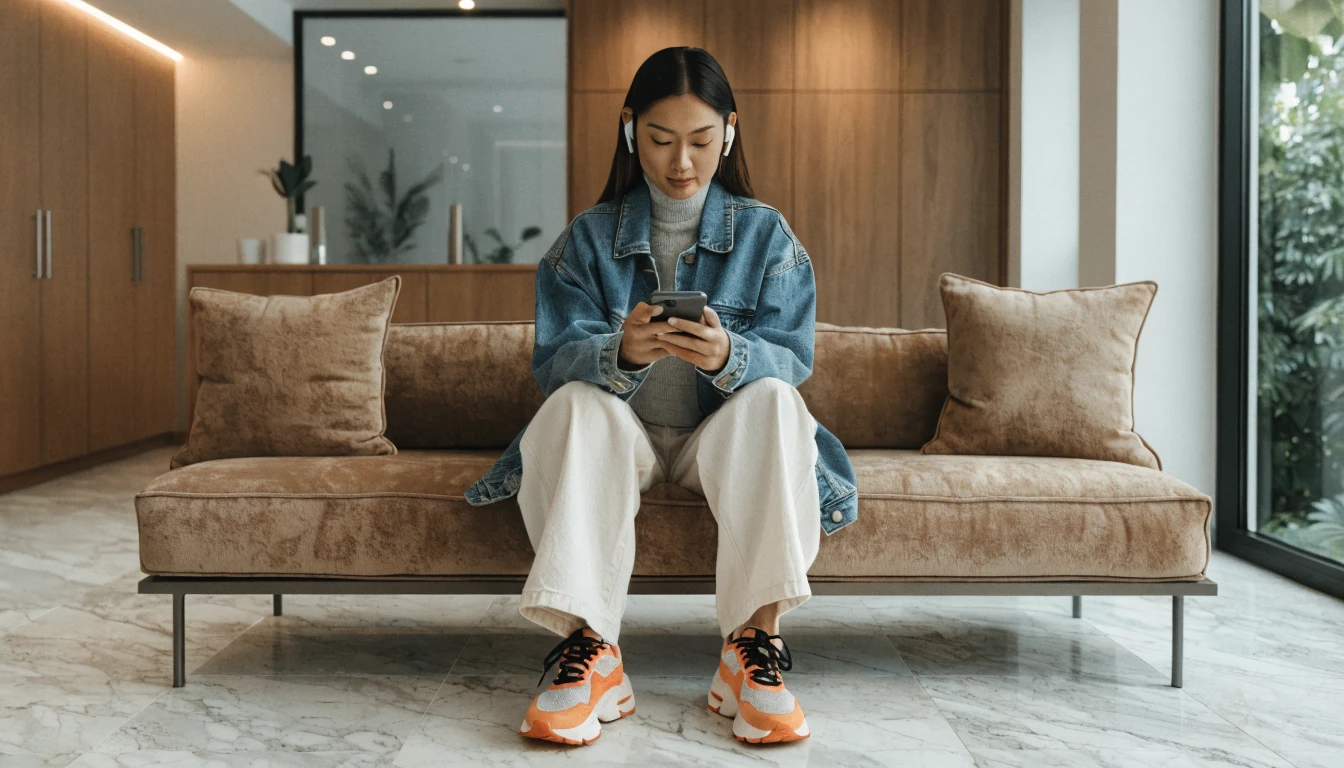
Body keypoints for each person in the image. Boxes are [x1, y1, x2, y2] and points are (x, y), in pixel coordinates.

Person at [462, 46, 858, 747]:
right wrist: (618, 353)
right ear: (629, 129)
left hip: (720, 438)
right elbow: (551, 365)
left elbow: (794, 360)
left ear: (729, 131)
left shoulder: (767, 236)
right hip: (626, 438)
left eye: (701, 141)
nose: (681, 162)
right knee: (576, 402)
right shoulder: (585, 240)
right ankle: (592, 650)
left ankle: (752, 648)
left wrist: (732, 356)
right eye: (660, 139)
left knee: (773, 399)